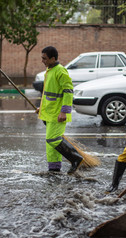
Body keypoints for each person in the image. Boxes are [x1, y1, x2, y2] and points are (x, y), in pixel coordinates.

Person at [36, 46, 83, 174]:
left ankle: (75, 158)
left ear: (52, 58)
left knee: (53, 139)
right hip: (50, 113)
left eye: (44, 58)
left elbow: (68, 92)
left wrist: (64, 111)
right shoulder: (49, 71)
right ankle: (54, 168)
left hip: (58, 114)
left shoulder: (60, 71)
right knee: (50, 145)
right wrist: (41, 109)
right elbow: (49, 94)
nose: (42, 61)